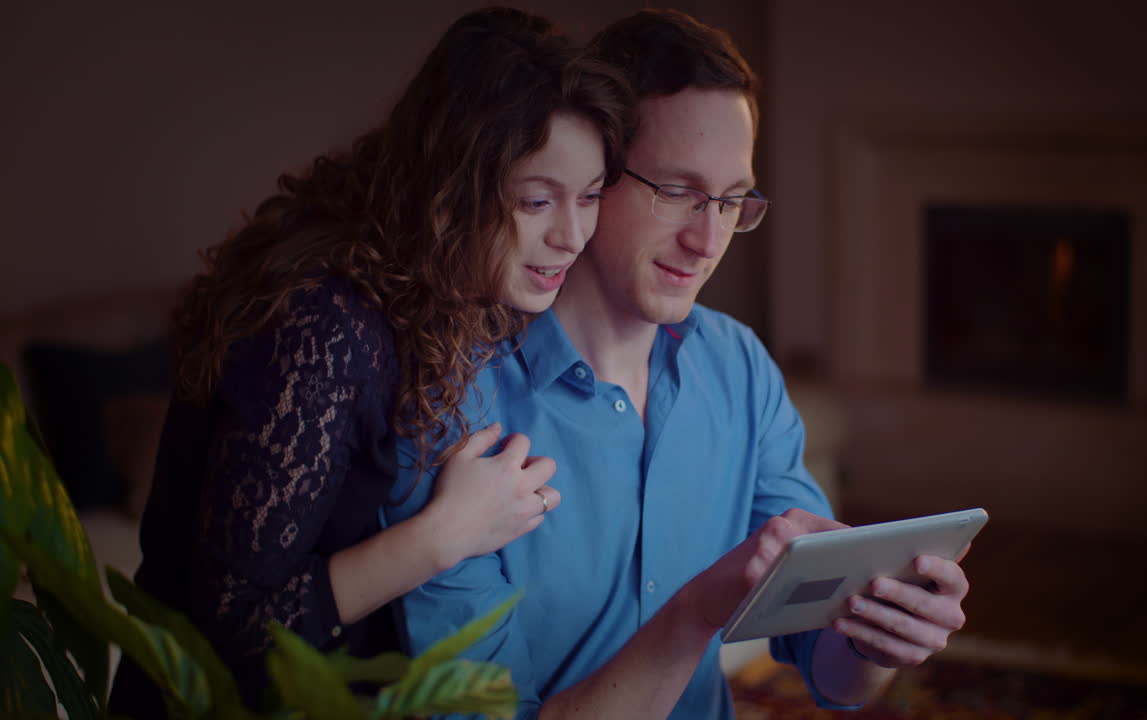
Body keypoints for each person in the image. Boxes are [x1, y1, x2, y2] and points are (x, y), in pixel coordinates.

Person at [384, 8, 974, 719]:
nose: (707, 240)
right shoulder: (456, 397)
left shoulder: (740, 369)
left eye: (730, 201)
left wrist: (880, 638)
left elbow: (830, 672)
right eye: (678, 191)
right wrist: (696, 613)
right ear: (595, 172)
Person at [108, 7, 631, 716]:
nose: (572, 235)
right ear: (455, 186)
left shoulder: (446, 290)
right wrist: (447, 534)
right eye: (537, 200)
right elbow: (231, 625)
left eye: (591, 197)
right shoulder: (325, 324)